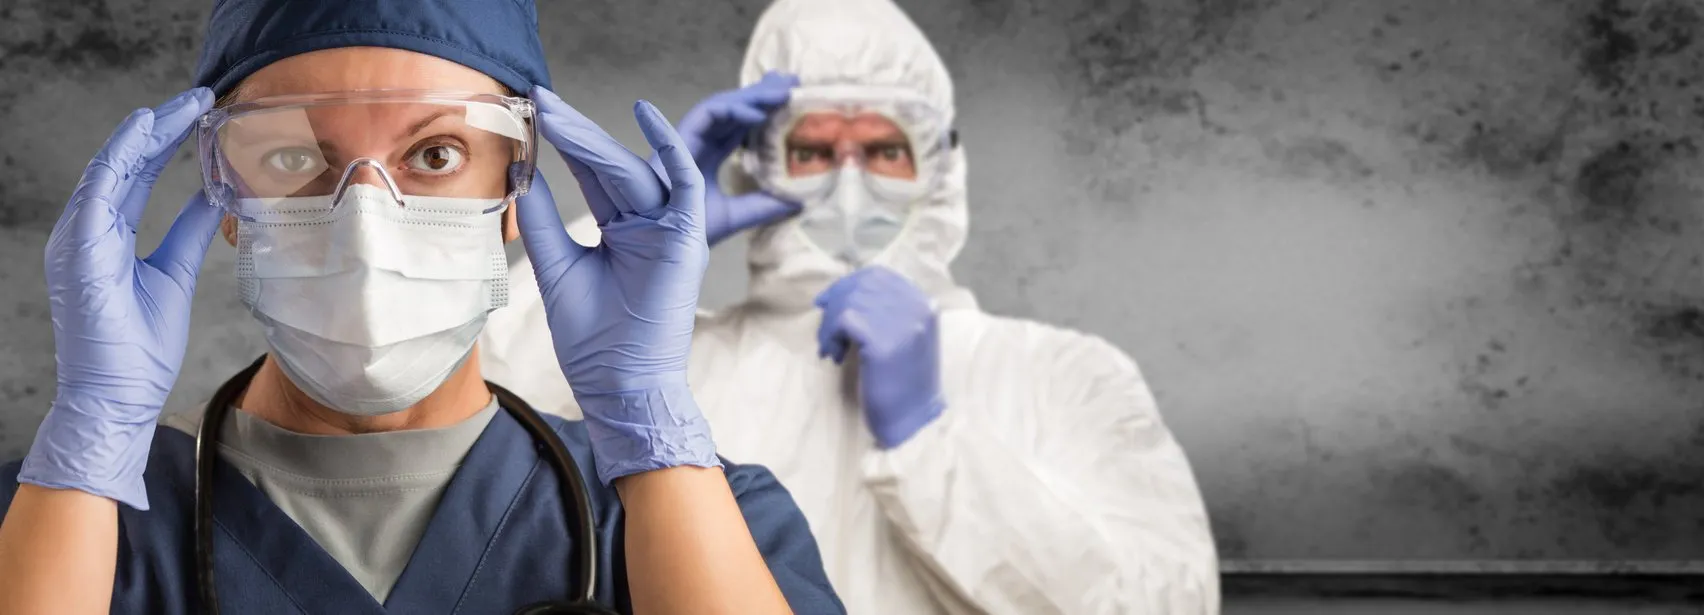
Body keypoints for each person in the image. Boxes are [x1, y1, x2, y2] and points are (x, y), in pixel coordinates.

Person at [0, 1, 846, 614]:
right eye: (295, 154)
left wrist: (648, 420)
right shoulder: (55, 516)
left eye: (436, 152)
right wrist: (95, 426)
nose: (365, 216)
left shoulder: (709, 512)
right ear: (228, 197)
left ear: (518, 186)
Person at [479, 0, 1220, 613]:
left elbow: (1169, 600)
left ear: (939, 170)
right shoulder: (670, 369)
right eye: (813, 152)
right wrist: (626, 250)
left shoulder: (1063, 375)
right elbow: (476, 424)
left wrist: (933, 444)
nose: (850, 187)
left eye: (884, 150)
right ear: (758, 167)